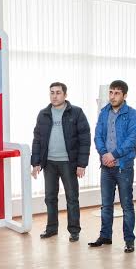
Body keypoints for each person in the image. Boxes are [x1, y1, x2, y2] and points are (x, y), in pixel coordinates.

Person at [30, 82, 91, 242]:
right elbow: (37, 140)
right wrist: (36, 163)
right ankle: (51, 229)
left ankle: (74, 230)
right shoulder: (43, 114)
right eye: (52, 92)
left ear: (65, 95)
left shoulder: (76, 112)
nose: (54, 96)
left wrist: (81, 164)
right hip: (49, 163)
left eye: (58, 92)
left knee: (72, 197)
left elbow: (85, 139)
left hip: (68, 163)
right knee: (50, 197)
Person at [89, 80, 136, 253]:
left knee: (127, 205)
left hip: (123, 167)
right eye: (111, 92)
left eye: (117, 93)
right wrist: (104, 154)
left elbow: (131, 140)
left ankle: (129, 240)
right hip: (106, 167)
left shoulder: (132, 114)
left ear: (124, 95)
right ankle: (105, 236)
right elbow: (97, 136)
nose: (112, 96)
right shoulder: (104, 112)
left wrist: (114, 155)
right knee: (106, 205)